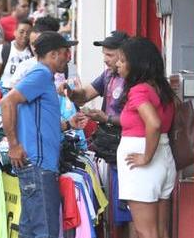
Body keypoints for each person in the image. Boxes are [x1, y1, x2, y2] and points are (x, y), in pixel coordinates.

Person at [0, 31, 78, 238]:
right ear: (53, 55)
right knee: (46, 231)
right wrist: (13, 145)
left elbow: (40, 123)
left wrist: (68, 124)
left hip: (37, 166)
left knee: (30, 231)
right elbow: (6, 102)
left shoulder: (44, 77)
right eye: (65, 52)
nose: (68, 57)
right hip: (38, 167)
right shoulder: (41, 74)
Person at [115, 37, 176, 238]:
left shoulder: (139, 90)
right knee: (160, 231)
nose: (118, 64)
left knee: (146, 232)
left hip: (144, 164)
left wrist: (146, 157)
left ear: (136, 63)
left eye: (122, 60)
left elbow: (154, 123)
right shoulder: (161, 88)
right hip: (163, 158)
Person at [65, 30, 130, 128]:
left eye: (110, 55)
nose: (105, 59)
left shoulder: (134, 79)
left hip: (125, 137)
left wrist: (106, 118)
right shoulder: (108, 74)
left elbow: (137, 119)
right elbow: (85, 95)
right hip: (106, 136)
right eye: (104, 54)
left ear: (124, 55)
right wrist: (70, 92)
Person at [0, 19, 33, 88]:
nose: (25, 35)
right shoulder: (3, 49)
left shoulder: (33, 52)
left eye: (28, 33)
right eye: (21, 32)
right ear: (15, 32)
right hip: (5, 92)